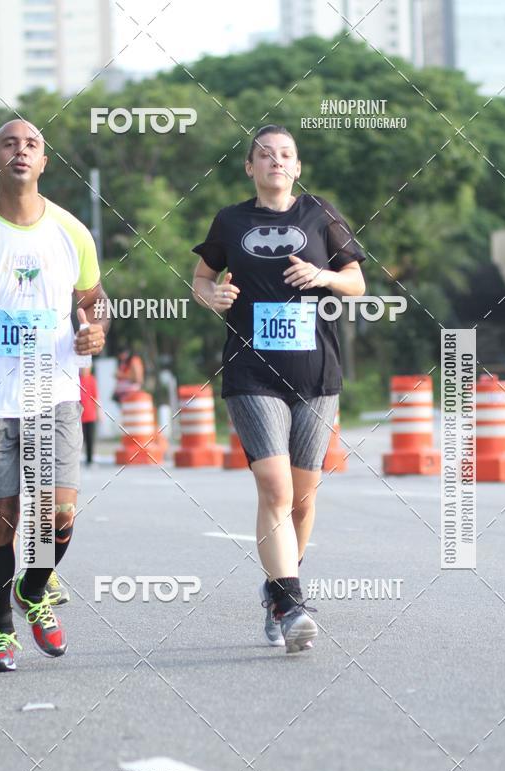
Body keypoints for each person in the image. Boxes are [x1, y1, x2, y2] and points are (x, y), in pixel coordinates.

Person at [192, 124, 366, 654]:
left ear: (298, 166)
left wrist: (324, 276)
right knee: (275, 488)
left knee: (303, 498)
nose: (276, 161)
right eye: (265, 154)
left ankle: (274, 588)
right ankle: (292, 603)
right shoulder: (232, 220)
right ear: (250, 167)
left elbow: (357, 281)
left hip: (316, 373)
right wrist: (211, 296)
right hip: (251, 373)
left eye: (285, 154)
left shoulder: (320, 214)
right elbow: (201, 277)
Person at [0, 119, 108, 672]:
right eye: (10, 143)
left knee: (58, 514)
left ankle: (32, 587)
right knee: (1, 522)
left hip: (54, 391)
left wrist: (96, 328)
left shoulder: (71, 231)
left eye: (32, 144)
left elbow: (93, 299)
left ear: (44, 162)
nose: (21, 150)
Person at [80, 366, 100, 465]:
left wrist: (99, 413)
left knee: (90, 438)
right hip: (79, 415)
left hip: (90, 414)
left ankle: (90, 459)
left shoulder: (92, 380)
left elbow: (95, 397)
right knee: (80, 438)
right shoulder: (77, 379)